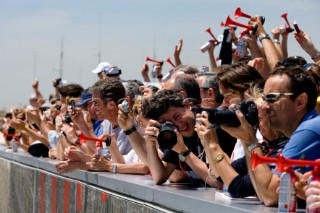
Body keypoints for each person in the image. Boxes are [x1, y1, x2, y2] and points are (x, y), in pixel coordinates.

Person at [221, 66, 320, 206]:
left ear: (300, 102)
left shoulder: (309, 130)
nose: (265, 106)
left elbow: (270, 195)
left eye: (272, 98)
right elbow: (263, 192)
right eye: (264, 99)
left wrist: (249, 141)